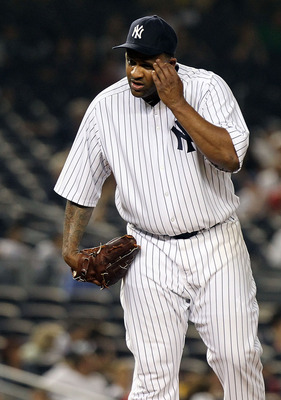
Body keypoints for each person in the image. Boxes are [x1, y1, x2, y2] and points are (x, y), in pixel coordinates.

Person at [54, 15, 265, 400]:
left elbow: (230, 158)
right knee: (152, 373)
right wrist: (70, 249)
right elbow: (81, 183)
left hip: (215, 243)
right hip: (148, 249)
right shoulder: (106, 107)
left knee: (239, 356)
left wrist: (177, 103)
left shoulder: (208, 88)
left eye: (146, 63)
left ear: (170, 63)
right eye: (130, 60)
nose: (134, 70)